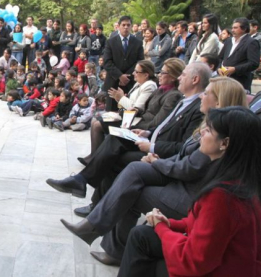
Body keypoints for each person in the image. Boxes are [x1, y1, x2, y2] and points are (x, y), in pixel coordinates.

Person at [63, 77, 248, 267]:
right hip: (178, 177)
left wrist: (156, 161)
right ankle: (95, 224)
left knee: (131, 189)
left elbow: (189, 168)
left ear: (218, 101)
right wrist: (157, 161)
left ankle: (104, 237)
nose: (202, 96)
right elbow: (184, 156)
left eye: (207, 93)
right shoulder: (208, 125)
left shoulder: (219, 134)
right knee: (133, 169)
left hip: (187, 193)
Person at [118, 106, 261, 277]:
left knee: (142, 239)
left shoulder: (222, 195)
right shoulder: (239, 180)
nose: (201, 133)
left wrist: (161, 227)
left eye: (208, 130)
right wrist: (169, 223)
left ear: (224, 143)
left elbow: (193, 261)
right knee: (141, 234)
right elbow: (202, 225)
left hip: (215, 269)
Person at [47, 62, 210, 201]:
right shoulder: (177, 98)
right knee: (111, 138)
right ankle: (83, 182)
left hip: (157, 149)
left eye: (183, 75)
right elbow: (160, 124)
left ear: (194, 79)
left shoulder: (181, 100)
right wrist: (147, 133)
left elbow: (163, 128)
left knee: (112, 154)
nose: (159, 74)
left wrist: (151, 145)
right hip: (145, 133)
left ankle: (92, 198)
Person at [103, 16, 145, 111]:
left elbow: (140, 61)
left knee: (129, 111)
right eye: (123, 25)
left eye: (128, 25)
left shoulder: (137, 42)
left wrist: (127, 76)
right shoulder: (111, 42)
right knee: (111, 113)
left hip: (131, 82)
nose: (126, 27)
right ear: (119, 26)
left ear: (131, 27)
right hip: (113, 82)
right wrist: (120, 75)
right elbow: (107, 62)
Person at [218, 17, 260, 92]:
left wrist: (235, 69)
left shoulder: (251, 42)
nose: (232, 30)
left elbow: (253, 63)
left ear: (244, 29)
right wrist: (219, 68)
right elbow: (220, 58)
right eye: (232, 28)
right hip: (224, 80)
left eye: (235, 28)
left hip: (240, 82)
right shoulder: (229, 41)